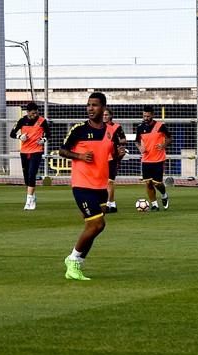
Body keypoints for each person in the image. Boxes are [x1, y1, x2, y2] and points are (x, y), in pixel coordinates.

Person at [58, 92, 125, 281]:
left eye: (94, 105)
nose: (90, 108)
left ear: (103, 108)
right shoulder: (78, 129)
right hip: (82, 184)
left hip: (100, 186)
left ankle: (76, 266)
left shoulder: (111, 132)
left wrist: (119, 154)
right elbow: (62, 150)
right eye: (88, 105)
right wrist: (79, 156)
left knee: (95, 227)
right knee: (98, 223)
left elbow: (112, 157)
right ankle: (72, 259)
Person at [9, 102, 51, 210]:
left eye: (36, 113)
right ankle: (32, 197)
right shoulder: (22, 121)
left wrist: (43, 140)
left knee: (32, 174)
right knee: (27, 177)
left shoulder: (42, 121)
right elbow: (12, 133)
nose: (35, 115)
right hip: (24, 151)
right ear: (27, 112)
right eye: (33, 113)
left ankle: (28, 201)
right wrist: (20, 136)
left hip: (36, 151)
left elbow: (48, 134)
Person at [135, 105, 171, 211]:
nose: (146, 118)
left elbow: (169, 138)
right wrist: (140, 147)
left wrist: (163, 145)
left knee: (157, 183)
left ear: (152, 115)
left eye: (148, 116)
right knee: (148, 183)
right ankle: (154, 204)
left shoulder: (160, 126)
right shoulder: (140, 127)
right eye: (144, 116)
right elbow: (137, 141)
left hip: (158, 159)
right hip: (146, 159)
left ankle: (164, 194)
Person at [103, 109, 126, 213]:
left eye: (106, 115)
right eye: (103, 115)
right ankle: (112, 204)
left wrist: (115, 142)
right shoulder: (99, 127)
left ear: (111, 116)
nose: (104, 116)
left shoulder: (116, 127)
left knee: (109, 181)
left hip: (112, 156)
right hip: (102, 157)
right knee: (105, 181)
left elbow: (123, 139)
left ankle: (108, 204)